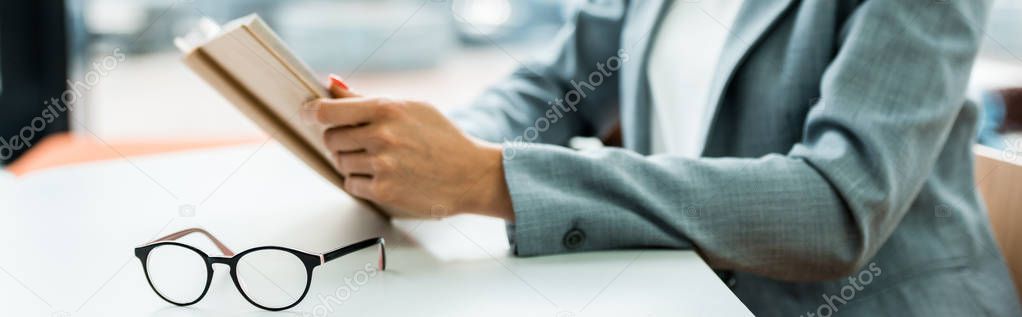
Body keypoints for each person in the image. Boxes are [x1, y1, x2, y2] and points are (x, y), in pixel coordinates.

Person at [302, 0, 1022, 315]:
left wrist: (488, 177)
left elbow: (836, 205)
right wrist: (429, 148)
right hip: (689, 293)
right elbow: (554, 85)